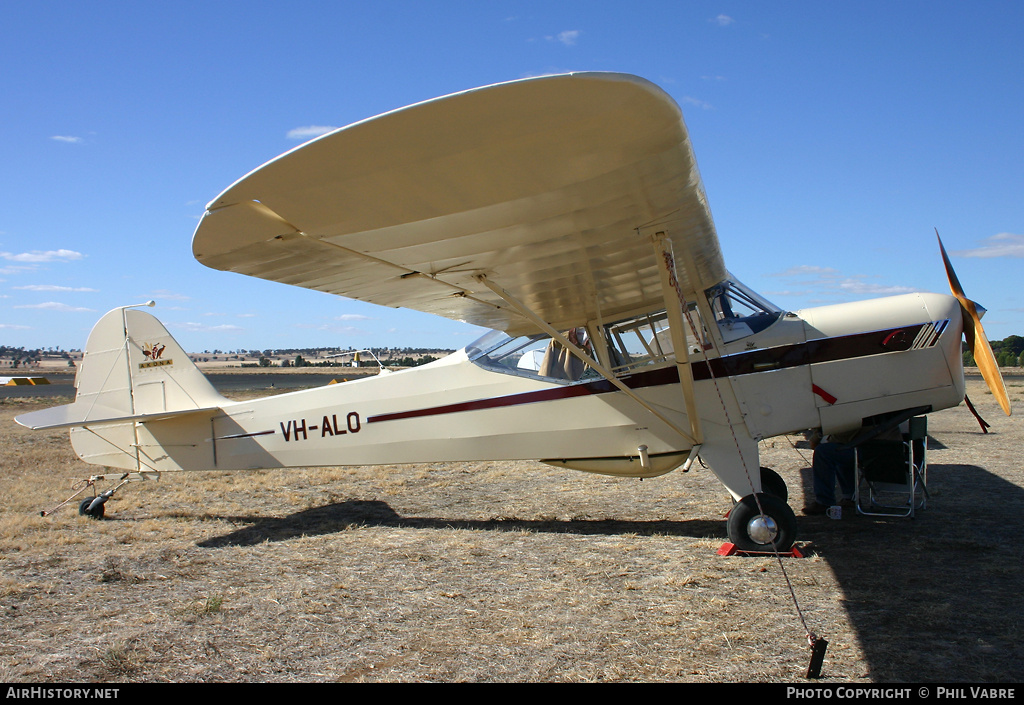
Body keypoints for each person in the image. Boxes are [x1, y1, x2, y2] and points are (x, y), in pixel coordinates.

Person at [803, 425, 903, 515]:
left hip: (878, 446)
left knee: (825, 451)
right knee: (839, 449)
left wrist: (817, 437)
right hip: (887, 444)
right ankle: (849, 497)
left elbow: (846, 430)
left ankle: (824, 501)